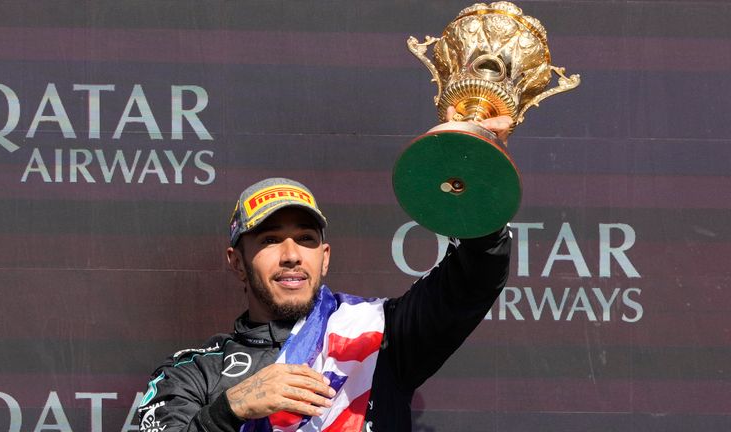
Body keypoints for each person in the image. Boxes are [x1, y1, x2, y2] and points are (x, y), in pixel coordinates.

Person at [138, 112, 513, 432]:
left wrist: (471, 166)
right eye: (270, 240)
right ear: (237, 261)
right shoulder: (193, 372)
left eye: (305, 239)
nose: (291, 255)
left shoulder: (382, 335)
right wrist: (228, 410)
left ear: (325, 256)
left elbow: (475, 273)